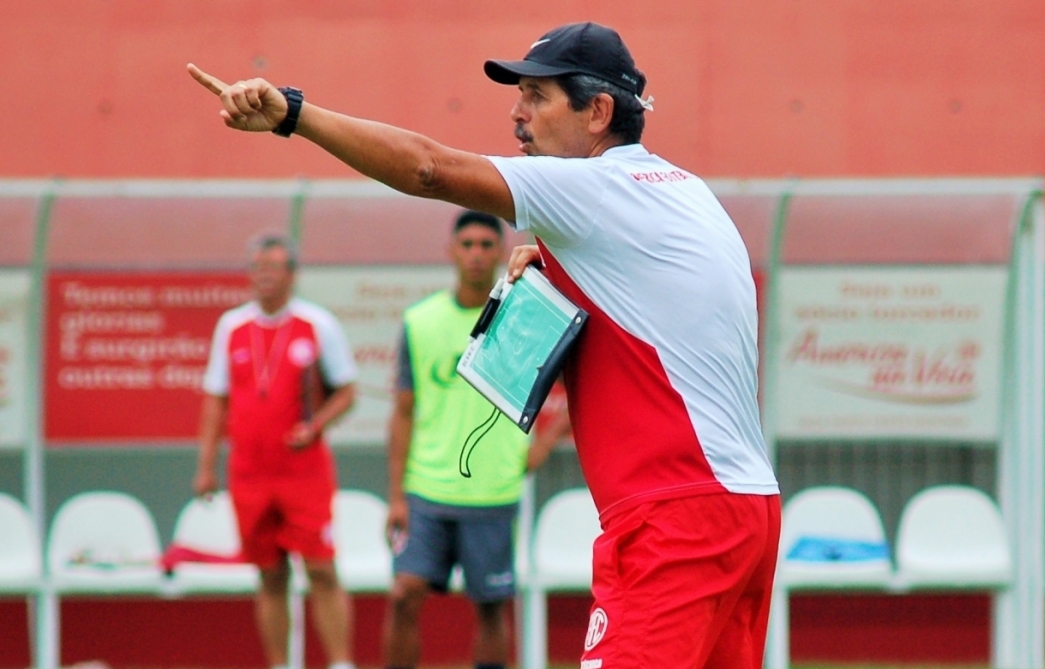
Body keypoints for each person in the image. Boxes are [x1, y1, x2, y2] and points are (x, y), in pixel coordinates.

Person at [189, 20, 780, 669]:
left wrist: (292, 114)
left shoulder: (593, 188)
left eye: (537, 96)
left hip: (676, 517)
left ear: (598, 112)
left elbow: (428, 168)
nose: (516, 112)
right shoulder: (685, 192)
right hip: (745, 507)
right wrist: (563, 273)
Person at [382, 210, 562, 669]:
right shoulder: (420, 322)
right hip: (427, 491)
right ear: (451, 251)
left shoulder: (525, 318)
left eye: (487, 245)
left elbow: (576, 386)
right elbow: (402, 413)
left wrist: (543, 445)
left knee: (490, 609)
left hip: (493, 492)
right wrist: (396, 496)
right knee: (404, 596)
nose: (477, 254)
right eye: (468, 245)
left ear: (501, 252)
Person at [194, 234, 358, 669]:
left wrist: (317, 424)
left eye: (273, 268)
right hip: (250, 471)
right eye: (257, 268)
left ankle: (340, 661)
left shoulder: (316, 324)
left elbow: (347, 391)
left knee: (321, 569)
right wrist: (206, 466)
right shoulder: (231, 327)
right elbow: (215, 399)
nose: (264, 276)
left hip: (303, 471)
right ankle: (279, 663)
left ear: (291, 275)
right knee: (269, 574)